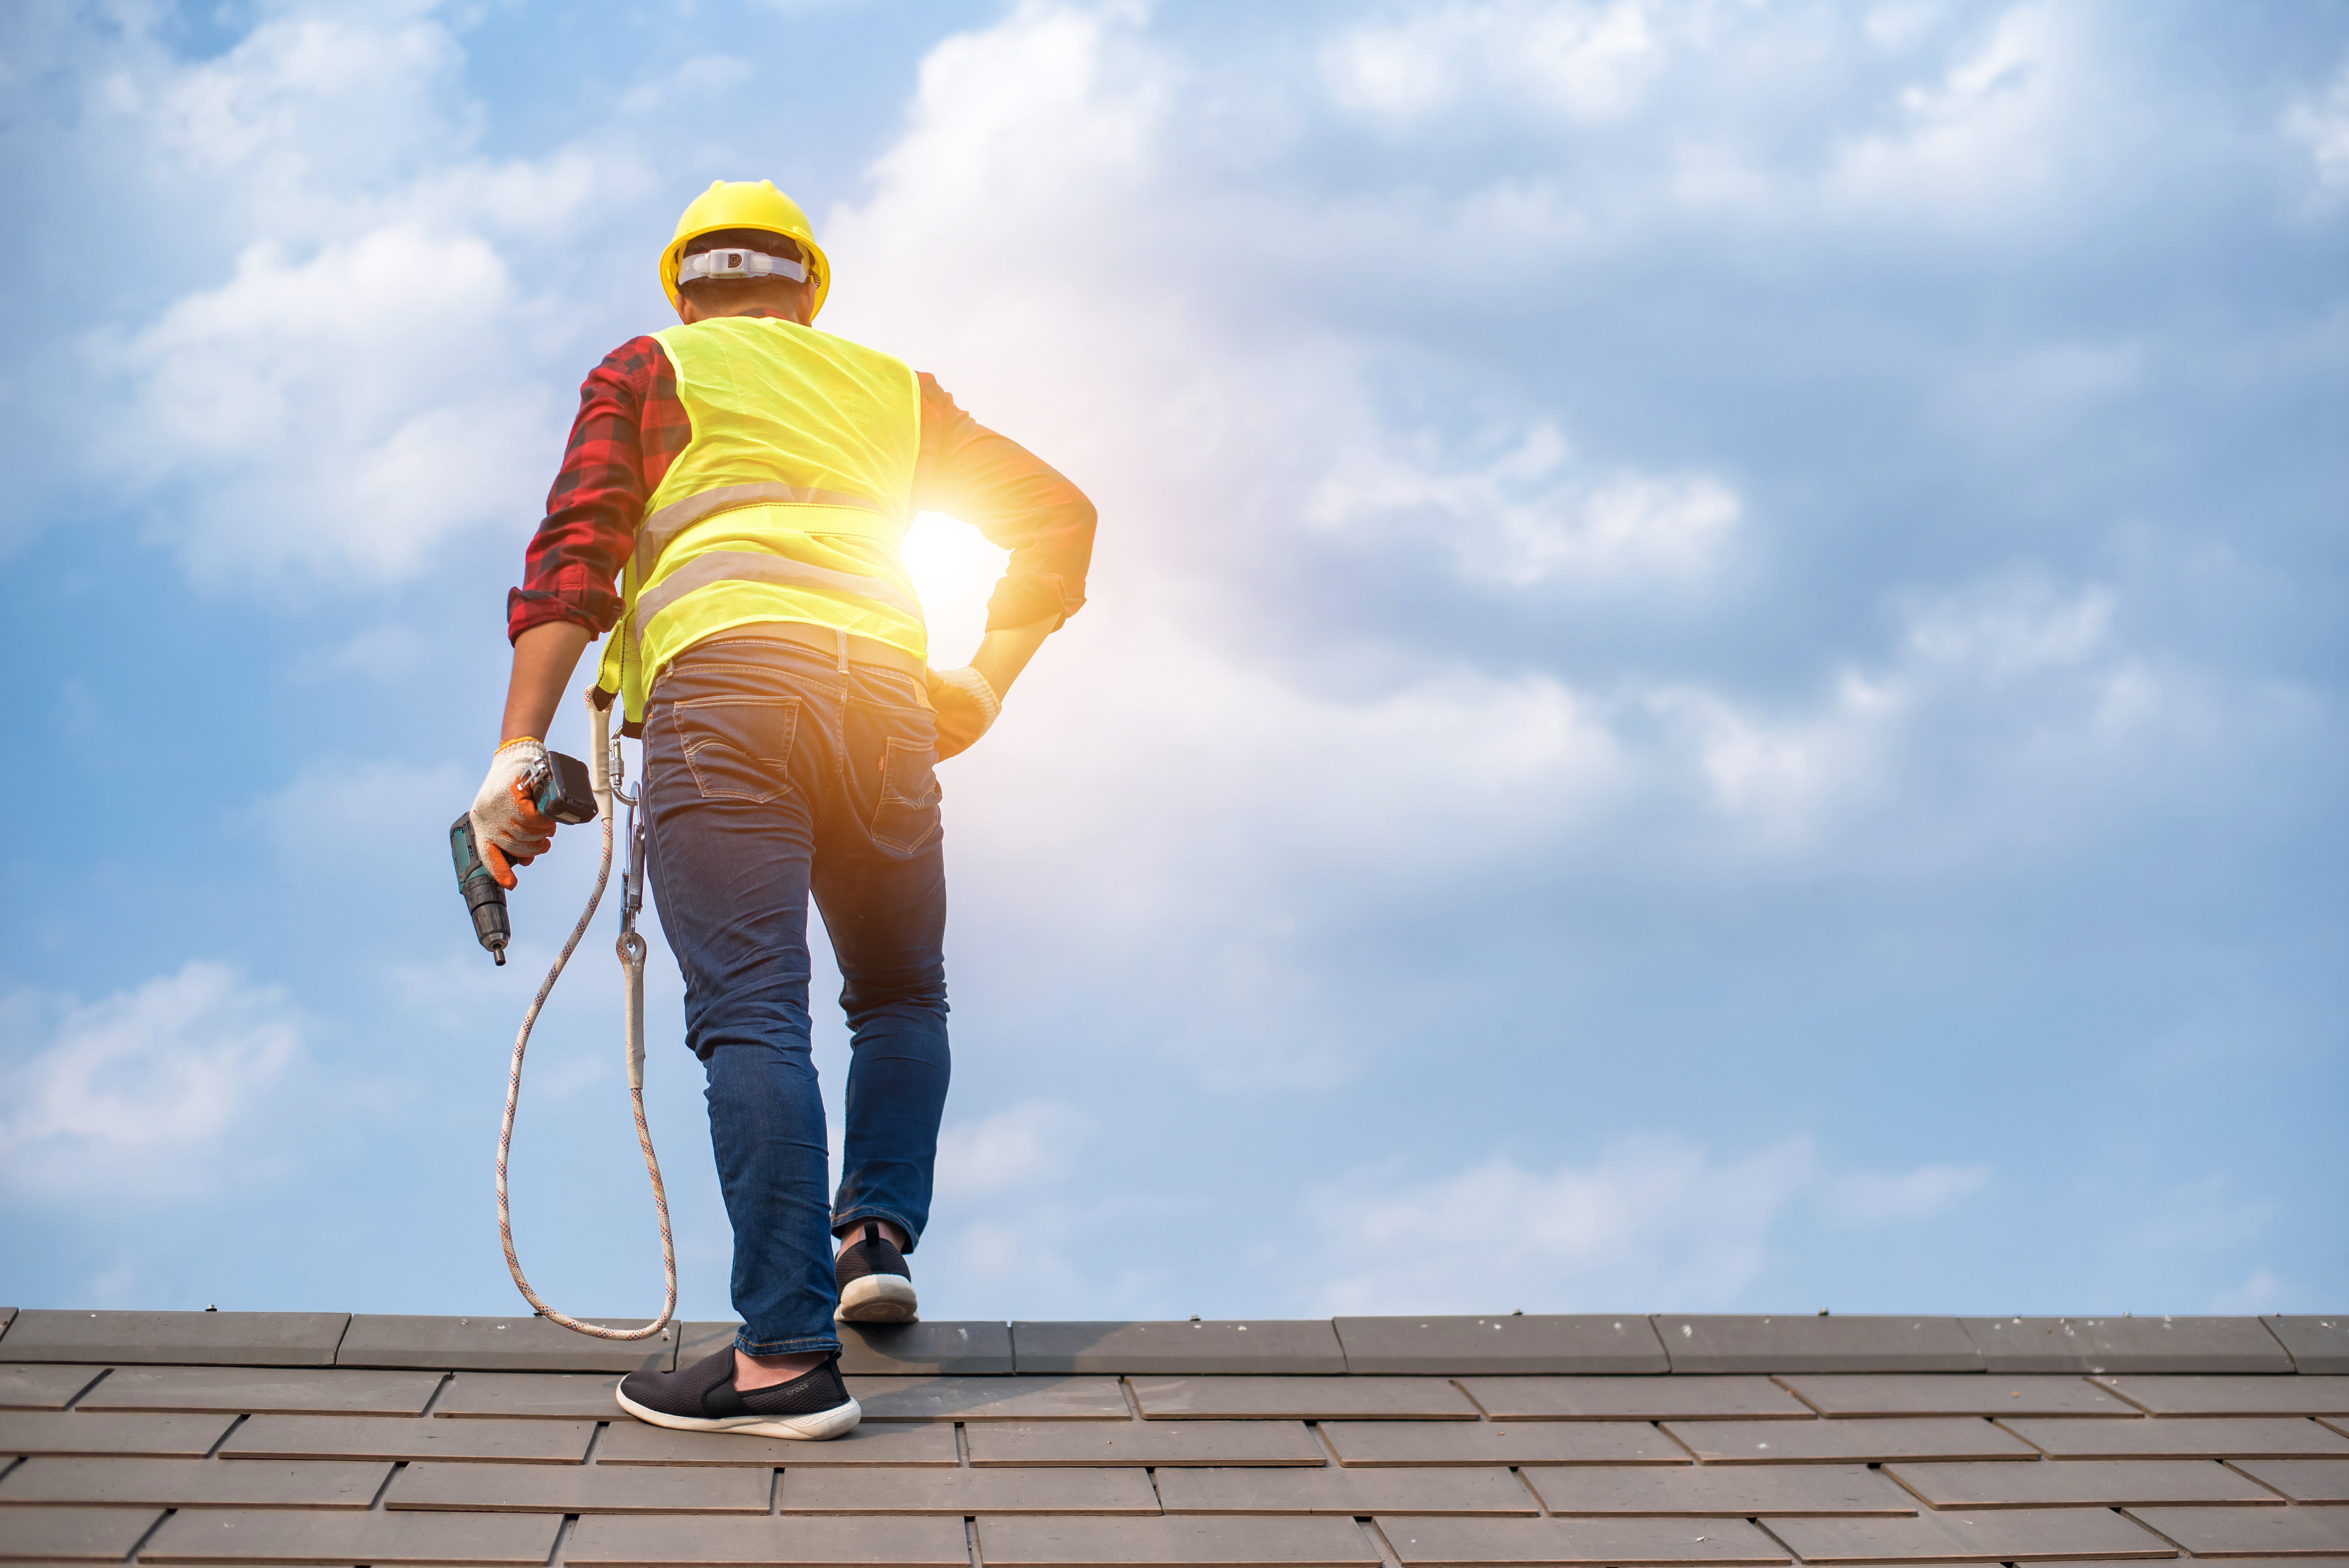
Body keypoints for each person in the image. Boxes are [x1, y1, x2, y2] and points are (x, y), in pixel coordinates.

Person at [468, 180, 1096, 1440]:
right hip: (885, 706)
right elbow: (1061, 521)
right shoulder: (888, 388)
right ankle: (874, 1233)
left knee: (755, 1012)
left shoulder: (651, 368)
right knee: (900, 993)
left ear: (685, 288)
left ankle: (785, 1361)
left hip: (730, 692)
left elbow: (576, 558)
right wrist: (980, 679)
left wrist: (514, 748)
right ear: (807, 290)